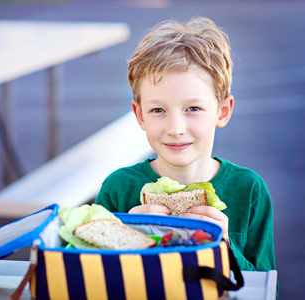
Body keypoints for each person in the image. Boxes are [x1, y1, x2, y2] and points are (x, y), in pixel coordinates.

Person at [95, 17, 275, 272]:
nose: (176, 129)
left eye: (193, 108)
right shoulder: (118, 189)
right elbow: (92, 277)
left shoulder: (249, 191)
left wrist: (225, 247)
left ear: (222, 111)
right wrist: (126, 241)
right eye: (158, 109)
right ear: (140, 115)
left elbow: (268, 288)